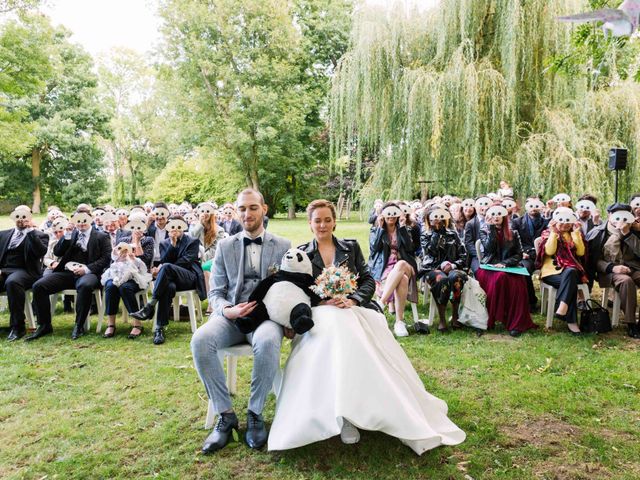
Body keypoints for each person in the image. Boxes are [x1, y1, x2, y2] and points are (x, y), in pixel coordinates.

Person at [267, 199, 466, 454]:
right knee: (334, 330)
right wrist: (323, 300)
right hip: (319, 313)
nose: (323, 224)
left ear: (334, 221)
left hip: (351, 309)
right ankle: (336, 413)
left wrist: (353, 299)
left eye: (327, 219)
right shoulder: (301, 253)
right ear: (310, 223)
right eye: (317, 220)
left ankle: (357, 410)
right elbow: (297, 288)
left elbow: (368, 280)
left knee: (350, 331)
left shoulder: (350, 247)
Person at [190, 189, 291, 453]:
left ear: (264, 209)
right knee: (200, 339)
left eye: (253, 208)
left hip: (266, 318)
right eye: (242, 209)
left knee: (269, 341)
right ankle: (225, 416)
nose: (247, 214)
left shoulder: (283, 246)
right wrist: (227, 311)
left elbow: (290, 289)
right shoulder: (225, 246)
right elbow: (216, 292)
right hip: (231, 318)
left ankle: (255, 414)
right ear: (236, 211)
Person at [28, 209, 112, 340]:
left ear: (90, 219)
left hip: (89, 273)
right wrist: (66, 235)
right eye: (78, 220)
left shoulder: (101, 236)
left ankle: (79, 326)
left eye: (84, 220)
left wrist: (86, 269)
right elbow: (57, 252)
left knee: (85, 286)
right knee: (39, 286)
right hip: (67, 272)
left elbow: (106, 258)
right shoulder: (71, 234)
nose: (81, 223)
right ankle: (44, 325)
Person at [131, 215, 206, 345]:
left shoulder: (192, 241)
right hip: (170, 279)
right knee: (168, 287)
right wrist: (172, 245)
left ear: (183, 227)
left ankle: (150, 306)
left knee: (165, 268)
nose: (175, 229)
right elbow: (165, 261)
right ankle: (159, 328)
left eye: (178, 226)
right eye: (172, 226)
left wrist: (167, 265)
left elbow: (186, 262)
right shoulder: (164, 243)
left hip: (188, 277)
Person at [475, 207, 537, 337]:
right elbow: (488, 248)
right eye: (493, 214)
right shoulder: (484, 231)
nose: (496, 216)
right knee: (500, 278)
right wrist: (491, 228)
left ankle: (516, 323)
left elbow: (519, 254)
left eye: (499, 214)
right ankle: (489, 319)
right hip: (489, 267)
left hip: (509, 266)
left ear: (504, 216)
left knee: (519, 282)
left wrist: (504, 263)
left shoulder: (513, 233)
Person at [587, 203, 640, 338]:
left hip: (633, 268)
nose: (621, 220)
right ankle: (631, 323)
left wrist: (628, 234)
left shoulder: (635, 231)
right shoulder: (599, 232)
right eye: (617, 216)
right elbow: (594, 261)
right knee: (626, 281)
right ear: (609, 215)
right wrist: (613, 267)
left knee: (630, 277)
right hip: (609, 272)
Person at [369, 202, 419, 337]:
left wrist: (402, 227)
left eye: (394, 213)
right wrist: (380, 228)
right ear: (382, 215)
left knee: (401, 264)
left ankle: (381, 302)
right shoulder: (376, 230)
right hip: (385, 268)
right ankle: (399, 322)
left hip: (405, 265)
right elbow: (374, 249)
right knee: (402, 280)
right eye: (388, 214)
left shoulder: (404, 229)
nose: (391, 217)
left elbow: (410, 249)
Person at [102, 215, 155, 339]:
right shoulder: (123, 239)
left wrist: (136, 243)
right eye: (133, 226)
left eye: (139, 226)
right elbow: (114, 258)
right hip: (120, 272)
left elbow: (145, 262)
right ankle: (111, 323)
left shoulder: (148, 240)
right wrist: (119, 255)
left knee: (125, 288)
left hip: (138, 275)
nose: (136, 229)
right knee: (110, 286)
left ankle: (137, 323)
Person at [0, 207, 49, 341]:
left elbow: (40, 252)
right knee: (9, 280)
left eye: (24, 216)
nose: (21, 220)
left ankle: (18, 327)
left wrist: (30, 232)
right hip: (4, 270)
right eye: (18, 216)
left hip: (26, 271)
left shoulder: (39, 235)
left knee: (12, 282)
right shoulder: (3, 234)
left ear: (30, 217)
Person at [536, 210, 587, 335]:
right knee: (571, 283)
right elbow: (549, 251)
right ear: (556, 220)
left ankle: (562, 306)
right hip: (551, 273)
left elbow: (580, 252)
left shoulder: (574, 234)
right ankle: (571, 322)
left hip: (569, 272)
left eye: (568, 221)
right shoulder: (548, 233)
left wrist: (576, 233)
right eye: (562, 220)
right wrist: (554, 232)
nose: (565, 224)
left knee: (570, 272)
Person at [420, 208, 467, 332]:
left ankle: (455, 316)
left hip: (452, 266)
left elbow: (463, 255)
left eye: (440, 217)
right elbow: (431, 251)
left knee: (455, 277)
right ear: (428, 220)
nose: (437, 220)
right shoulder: (425, 235)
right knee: (442, 279)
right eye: (434, 218)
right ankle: (442, 319)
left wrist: (453, 265)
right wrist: (436, 233)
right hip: (432, 268)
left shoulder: (453, 234)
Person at [188, 203, 228, 313]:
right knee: (202, 269)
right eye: (202, 212)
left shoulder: (219, 230)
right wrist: (200, 224)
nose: (205, 214)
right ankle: (208, 301)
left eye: (207, 212)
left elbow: (216, 250)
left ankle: (211, 303)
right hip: (195, 259)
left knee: (205, 270)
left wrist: (202, 257)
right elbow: (190, 239)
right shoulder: (194, 226)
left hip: (212, 260)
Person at [511, 197, 549, 309]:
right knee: (524, 269)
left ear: (541, 208)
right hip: (525, 255)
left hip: (543, 256)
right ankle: (530, 300)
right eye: (531, 206)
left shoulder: (546, 222)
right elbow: (514, 240)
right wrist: (521, 252)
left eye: (536, 206)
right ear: (526, 208)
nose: (534, 209)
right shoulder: (517, 222)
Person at [464, 197, 490, 273]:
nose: (484, 207)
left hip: (492, 255)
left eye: (486, 204)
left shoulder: (494, 222)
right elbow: (468, 244)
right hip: (477, 256)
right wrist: (479, 255)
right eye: (481, 204)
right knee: (480, 271)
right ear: (475, 207)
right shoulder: (470, 224)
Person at [147, 202, 169, 266]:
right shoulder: (149, 226)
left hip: (166, 261)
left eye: (162, 214)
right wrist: (148, 222)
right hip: (152, 261)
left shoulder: (172, 227)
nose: (160, 217)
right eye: (157, 214)